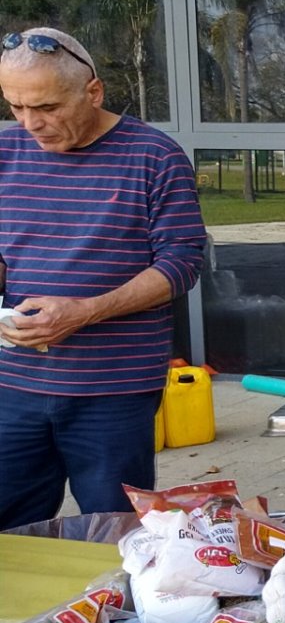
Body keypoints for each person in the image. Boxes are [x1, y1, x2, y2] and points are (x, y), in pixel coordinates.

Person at [0, 27, 206, 531]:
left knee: (117, 535)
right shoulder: (4, 154)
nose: (31, 124)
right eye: (16, 107)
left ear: (93, 92)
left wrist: (86, 310)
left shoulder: (155, 157)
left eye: (46, 107)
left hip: (111, 392)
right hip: (11, 385)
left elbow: (182, 263)